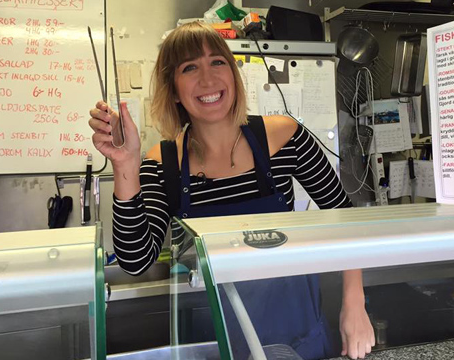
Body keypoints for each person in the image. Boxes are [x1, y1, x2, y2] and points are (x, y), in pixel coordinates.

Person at [88, 21, 373, 359]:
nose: (207, 80)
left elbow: (344, 217)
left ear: (233, 75)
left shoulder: (285, 137)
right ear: (174, 89)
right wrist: (125, 165)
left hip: (297, 339)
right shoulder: (161, 163)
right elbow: (136, 261)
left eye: (217, 62)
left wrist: (354, 303)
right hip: (216, 343)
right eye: (190, 67)